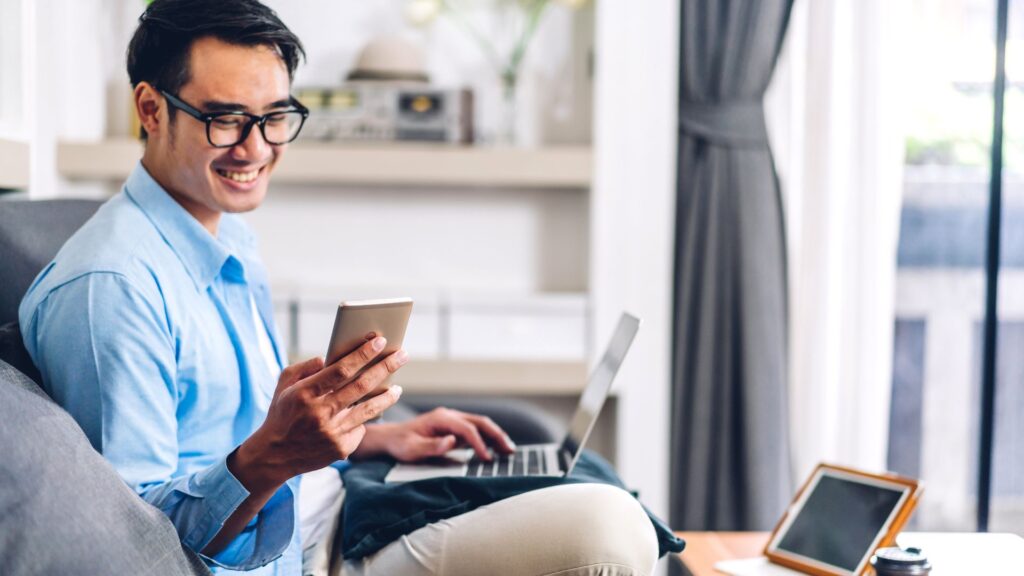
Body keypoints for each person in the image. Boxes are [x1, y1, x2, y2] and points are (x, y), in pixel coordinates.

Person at [19, 1, 658, 574]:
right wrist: (276, 456)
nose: (255, 149)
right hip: (302, 553)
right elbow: (141, 546)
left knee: (587, 481)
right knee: (609, 529)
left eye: (275, 118)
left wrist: (373, 438)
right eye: (225, 120)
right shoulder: (113, 291)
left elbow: (232, 434)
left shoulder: (222, 234)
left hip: (333, 501)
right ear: (151, 109)